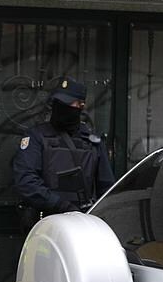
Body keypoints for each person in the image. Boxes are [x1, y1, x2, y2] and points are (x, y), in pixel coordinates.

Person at [12, 77, 115, 234]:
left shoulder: (92, 142)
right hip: (44, 223)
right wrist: (60, 205)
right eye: (58, 103)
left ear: (81, 106)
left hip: (82, 224)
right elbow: (26, 182)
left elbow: (106, 189)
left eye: (68, 104)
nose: (61, 107)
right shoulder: (37, 136)